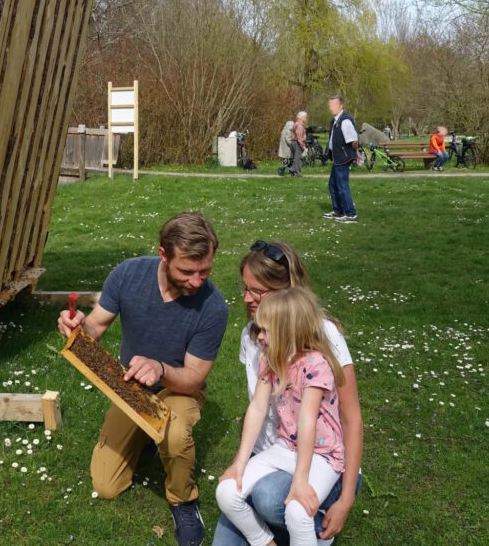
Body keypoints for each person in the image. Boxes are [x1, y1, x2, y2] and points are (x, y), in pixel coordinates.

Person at [57, 212, 230, 546]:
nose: (197, 281)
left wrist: (161, 369)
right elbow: (95, 326)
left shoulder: (214, 307)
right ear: (163, 255)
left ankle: (183, 500)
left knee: (175, 433)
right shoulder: (128, 274)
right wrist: (76, 327)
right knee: (106, 485)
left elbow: (194, 378)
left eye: (205, 271)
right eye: (187, 271)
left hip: (180, 390)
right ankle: (150, 440)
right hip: (131, 388)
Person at [211, 241, 363, 546]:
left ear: (286, 293)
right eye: (244, 288)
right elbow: (257, 408)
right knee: (227, 492)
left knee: (272, 500)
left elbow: (348, 419)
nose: (246, 298)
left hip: (322, 455)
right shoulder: (258, 338)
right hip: (279, 449)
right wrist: (240, 462)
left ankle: (313, 521)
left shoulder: (320, 341)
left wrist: (345, 499)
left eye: (257, 291)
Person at [321, 96, 358, 223]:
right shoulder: (335, 121)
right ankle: (338, 210)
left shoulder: (345, 121)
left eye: (333, 105)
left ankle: (350, 213)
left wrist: (353, 155)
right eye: (330, 105)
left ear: (341, 105)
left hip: (343, 158)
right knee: (332, 184)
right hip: (337, 158)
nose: (331, 108)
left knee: (342, 186)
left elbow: (353, 141)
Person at [291, 112, 308, 177]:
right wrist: (303, 146)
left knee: (295, 158)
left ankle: (293, 170)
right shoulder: (300, 126)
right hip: (297, 143)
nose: (306, 118)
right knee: (298, 158)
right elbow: (299, 137)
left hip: (293, 142)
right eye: (305, 117)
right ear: (301, 118)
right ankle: (297, 172)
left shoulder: (295, 124)